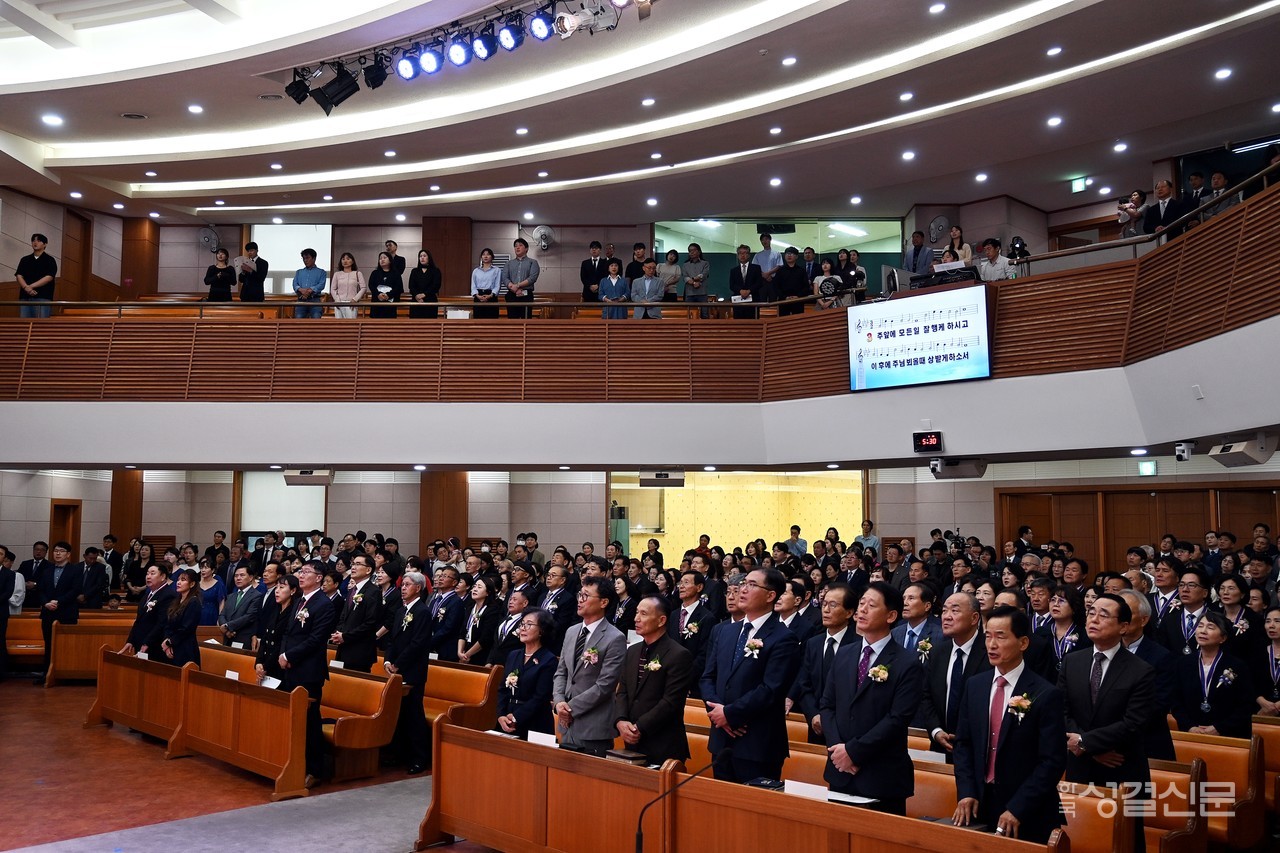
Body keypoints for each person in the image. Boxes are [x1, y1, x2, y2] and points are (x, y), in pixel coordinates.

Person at [953, 606, 1066, 843]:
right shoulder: (975, 685)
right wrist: (966, 792)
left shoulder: (1045, 694)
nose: (991, 645)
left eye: (1001, 636)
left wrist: (1018, 808)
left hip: (1028, 810)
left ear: (1023, 643)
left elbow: (1052, 762)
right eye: (988, 636)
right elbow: (963, 744)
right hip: (980, 805)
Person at [1060, 593, 1157, 851]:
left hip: (1122, 769)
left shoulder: (1140, 670)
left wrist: (1085, 742)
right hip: (1081, 768)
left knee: (1126, 841)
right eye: (1091, 612)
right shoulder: (1072, 661)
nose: (1094, 619)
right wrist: (1088, 749)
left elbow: (1133, 723)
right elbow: (1062, 710)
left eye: (1104, 615)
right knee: (1080, 838)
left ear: (1123, 626)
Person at [820, 581, 924, 815]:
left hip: (882, 776)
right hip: (840, 771)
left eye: (871, 605)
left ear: (891, 615)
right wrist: (839, 751)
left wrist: (853, 752)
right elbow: (827, 706)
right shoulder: (845, 653)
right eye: (861, 603)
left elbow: (897, 720)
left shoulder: (907, 663)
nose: (862, 610)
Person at [701, 567, 801, 784]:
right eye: (743, 584)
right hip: (721, 740)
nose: (742, 590)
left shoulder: (784, 638)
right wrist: (719, 714)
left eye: (752, 585)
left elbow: (771, 689)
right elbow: (708, 677)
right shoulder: (725, 631)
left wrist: (730, 714)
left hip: (757, 743)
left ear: (771, 595)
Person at [613, 596, 693, 764]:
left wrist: (639, 727)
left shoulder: (678, 654)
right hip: (631, 742)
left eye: (643, 614)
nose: (636, 619)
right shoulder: (633, 651)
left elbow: (671, 702)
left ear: (661, 620)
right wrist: (621, 720)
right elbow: (623, 690)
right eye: (636, 613)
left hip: (662, 744)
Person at [278, 561, 337, 787]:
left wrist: (290, 656)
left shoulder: (324, 604)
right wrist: (283, 653)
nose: (301, 576)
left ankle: (314, 769)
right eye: (300, 572)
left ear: (319, 577)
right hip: (291, 668)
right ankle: (292, 762)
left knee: (310, 721)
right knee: (293, 719)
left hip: (308, 671)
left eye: (306, 572)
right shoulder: (300, 600)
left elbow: (316, 640)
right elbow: (288, 632)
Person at [552, 576, 626, 755]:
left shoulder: (615, 637)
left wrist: (570, 708)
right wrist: (559, 702)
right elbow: (561, 672)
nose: (580, 600)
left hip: (593, 726)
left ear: (603, 602)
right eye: (579, 594)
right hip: (566, 723)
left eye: (586, 596)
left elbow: (605, 685)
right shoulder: (571, 631)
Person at [789, 582, 856, 744]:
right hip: (817, 726)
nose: (825, 610)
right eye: (824, 604)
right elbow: (805, 684)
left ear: (849, 612)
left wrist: (831, 719)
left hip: (848, 730)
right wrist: (814, 715)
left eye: (833, 605)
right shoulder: (814, 643)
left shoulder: (858, 644)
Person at [1170, 611, 1254, 738]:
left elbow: (1246, 705)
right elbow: (1176, 701)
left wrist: (1219, 728)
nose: (1203, 631)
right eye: (1200, 626)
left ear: (1223, 638)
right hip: (1191, 733)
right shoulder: (1183, 663)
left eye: (1210, 627)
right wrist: (1190, 727)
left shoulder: (1237, 666)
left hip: (1228, 735)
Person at [1116, 589, 1176, 762]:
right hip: (1107, 744)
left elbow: (1158, 705)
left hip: (1146, 744)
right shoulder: (1102, 652)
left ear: (1143, 619)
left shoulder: (1161, 656)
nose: (1120, 619)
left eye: (1126, 613)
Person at [383, 570, 433, 774]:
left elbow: (418, 643)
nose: (402, 588)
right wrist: (387, 659)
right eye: (402, 585)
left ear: (418, 588)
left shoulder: (422, 612)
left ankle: (420, 758)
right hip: (397, 670)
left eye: (407, 584)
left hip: (413, 671)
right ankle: (399, 753)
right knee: (399, 713)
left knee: (414, 714)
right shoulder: (400, 611)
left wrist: (398, 664)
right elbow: (393, 640)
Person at [497, 607, 559, 739]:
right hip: (507, 720)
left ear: (542, 630)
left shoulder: (549, 660)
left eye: (529, 624)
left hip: (535, 722)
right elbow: (503, 689)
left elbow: (540, 697)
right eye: (522, 624)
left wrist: (516, 717)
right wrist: (501, 715)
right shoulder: (513, 655)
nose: (523, 628)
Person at [35, 542, 81, 680]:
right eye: (55, 551)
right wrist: (46, 603)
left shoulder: (75, 570)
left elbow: (76, 590)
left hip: (66, 612)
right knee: (49, 644)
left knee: (65, 645)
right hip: (48, 612)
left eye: (61, 551)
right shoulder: (47, 570)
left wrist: (58, 601)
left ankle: (65, 673)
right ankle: (46, 674)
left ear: (68, 554)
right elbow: (40, 590)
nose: (58, 553)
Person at [330, 553, 381, 671]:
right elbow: (344, 616)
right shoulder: (353, 589)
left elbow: (370, 623)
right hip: (344, 647)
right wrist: (339, 633)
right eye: (353, 564)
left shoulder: (373, 592)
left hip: (360, 651)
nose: (353, 567)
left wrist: (345, 636)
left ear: (368, 569)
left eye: (358, 564)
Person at [119, 564, 175, 656]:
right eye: (147, 574)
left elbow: (161, 623)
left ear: (163, 576)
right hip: (141, 642)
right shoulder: (147, 594)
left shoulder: (168, 595)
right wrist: (131, 640)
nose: (148, 576)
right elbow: (139, 620)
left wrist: (147, 643)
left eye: (152, 573)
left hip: (154, 645)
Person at [254, 573, 298, 682]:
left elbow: (281, 643)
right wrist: (259, 662)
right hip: (265, 664)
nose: (276, 591)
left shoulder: (293, 614)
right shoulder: (275, 610)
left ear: (293, 591)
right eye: (276, 587)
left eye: (281, 587)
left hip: (279, 667)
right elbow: (265, 638)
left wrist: (266, 666)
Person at [159, 568, 202, 667]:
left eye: (183, 580)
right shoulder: (176, 601)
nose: (178, 582)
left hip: (185, 647)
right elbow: (167, 624)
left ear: (192, 584)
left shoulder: (194, 602)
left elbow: (186, 628)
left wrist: (170, 642)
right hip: (170, 646)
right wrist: (166, 642)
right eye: (178, 580)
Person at [458, 575, 502, 665]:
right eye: (474, 586)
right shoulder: (470, 608)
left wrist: (467, 655)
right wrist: (460, 652)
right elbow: (463, 632)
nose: (475, 589)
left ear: (488, 592)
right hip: (465, 651)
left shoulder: (492, 610)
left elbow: (485, 638)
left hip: (480, 655)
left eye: (479, 587)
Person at [218, 565, 262, 647]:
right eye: (236, 576)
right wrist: (226, 630)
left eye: (242, 575)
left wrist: (228, 626)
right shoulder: (231, 596)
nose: (238, 578)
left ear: (250, 577)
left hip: (242, 638)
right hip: (226, 638)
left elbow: (249, 616)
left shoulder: (257, 596)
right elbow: (222, 615)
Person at [15, 233, 57, 318]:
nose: (35, 242)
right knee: (25, 324)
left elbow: (49, 277)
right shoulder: (25, 259)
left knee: (40, 326)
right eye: (33, 240)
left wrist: (30, 287)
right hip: (25, 296)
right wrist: (26, 288)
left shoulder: (50, 260)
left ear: (45, 244)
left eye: (39, 240)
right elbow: (19, 275)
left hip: (43, 296)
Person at [488, 588, 530, 666]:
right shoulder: (503, 620)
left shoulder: (525, 622)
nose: (510, 602)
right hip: (494, 664)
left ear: (525, 603)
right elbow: (495, 644)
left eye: (514, 599)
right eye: (510, 599)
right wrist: (489, 661)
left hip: (512, 665)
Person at [503, 237, 539, 319]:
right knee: (512, 321)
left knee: (526, 320)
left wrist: (518, 286)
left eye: (520, 245)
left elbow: (532, 278)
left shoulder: (533, 262)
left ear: (526, 249)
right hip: (512, 295)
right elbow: (504, 277)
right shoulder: (509, 263)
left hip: (526, 294)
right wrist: (514, 288)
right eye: (515, 246)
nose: (517, 247)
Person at [1253, 606, 1280, 714]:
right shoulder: (1257, 651)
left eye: (1277, 621)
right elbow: (1250, 682)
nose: (1271, 625)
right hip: (1260, 709)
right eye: (1268, 621)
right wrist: (1261, 701)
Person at [729, 243, 763, 320]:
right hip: (738, 301)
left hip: (753, 301)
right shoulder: (733, 270)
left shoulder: (756, 268)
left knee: (753, 324)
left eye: (744, 253)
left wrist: (749, 291)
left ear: (748, 255)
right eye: (740, 253)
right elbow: (732, 285)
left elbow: (759, 283)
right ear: (737, 255)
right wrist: (740, 291)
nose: (742, 255)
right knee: (739, 324)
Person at [330, 252, 367, 318]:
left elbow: (363, 288)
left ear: (352, 261)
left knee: (351, 325)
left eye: (348, 259)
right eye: (343, 259)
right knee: (339, 326)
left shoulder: (357, 273)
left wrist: (355, 299)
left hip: (351, 303)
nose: (345, 261)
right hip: (339, 303)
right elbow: (333, 289)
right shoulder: (337, 274)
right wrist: (337, 300)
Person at [774, 247, 809, 316]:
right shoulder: (780, 271)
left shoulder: (801, 271)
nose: (789, 255)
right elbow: (775, 286)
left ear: (796, 257)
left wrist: (798, 296)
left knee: (798, 322)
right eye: (787, 253)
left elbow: (806, 287)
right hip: (783, 301)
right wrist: (784, 297)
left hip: (798, 300)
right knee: (783, 323)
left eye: (791, 254)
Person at [292, 248, 326, 318]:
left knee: (316, 318)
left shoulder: (321, 272)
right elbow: (295, 284)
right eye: (304, 258)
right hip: (301, 300)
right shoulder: (299, 272)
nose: (305, 260)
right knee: (298, 319)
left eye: (307, 258)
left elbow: (321, 285)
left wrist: (309, 290)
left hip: (315, 300)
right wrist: (301, 290)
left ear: (314, 258)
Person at [407, 249, 441, 319]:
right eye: (420, 256)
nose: (422, 258)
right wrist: (417, 296)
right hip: (416, 301)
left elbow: (436, 286)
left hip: (430, 301)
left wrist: (424, 294)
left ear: (429, 258)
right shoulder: (414, 271)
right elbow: (411, 286)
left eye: (424, 256)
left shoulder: (435, 271)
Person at [367, 251, 402, 319]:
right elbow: (371, 285)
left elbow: (398, 287)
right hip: (377, 303)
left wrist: (388, 295)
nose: (382, 260)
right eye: (380, 258)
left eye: (384, 258)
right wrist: (378, 294)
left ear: (390, 260)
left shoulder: (396, 274)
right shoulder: (375, 273)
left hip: (390, 304)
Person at [470, 247, 502, 318]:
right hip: (478, 296)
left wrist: (490, 295)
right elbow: (473, 286)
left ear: (492, 257)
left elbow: (497, 286)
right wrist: (477, 296)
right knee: (478, 321)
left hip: (491, 296)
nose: (486, 256)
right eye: (483, 254)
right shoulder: (476, 271)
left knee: (492, 320)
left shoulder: (497, 270)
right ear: (481, 257)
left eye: (488, 254)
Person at [681, 243, 710, 318]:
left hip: (702, 293)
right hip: (689, 293)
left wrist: (695, 280)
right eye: (690, 251)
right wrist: (694, 282)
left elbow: (703, 275)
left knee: (704, 314)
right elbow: (685, 277)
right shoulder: (685, 265)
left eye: (694, 250)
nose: (692, 252)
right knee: (689, 314)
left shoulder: (705, 263)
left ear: (699, 251)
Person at [753, 233, 783, 300]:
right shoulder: (757, 255)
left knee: (774, 301)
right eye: (762, 240)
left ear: (770, 240)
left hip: (773, 280)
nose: (764, 241)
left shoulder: (777, 253)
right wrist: (764, 275)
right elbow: (755, 268)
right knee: (761, 300)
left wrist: (768, 273)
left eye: (766, 239)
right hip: (761, 281)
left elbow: (779, 265)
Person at [579, 240, 605, 306]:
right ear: (590, 250)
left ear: (600, 250)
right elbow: (583, 277)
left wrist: (598, 286)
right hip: (588, 292)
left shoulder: (605, 263)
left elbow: (605, 277)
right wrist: (590, 286)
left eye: (596, 248)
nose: (594, 250)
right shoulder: (585, 263)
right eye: (592, 248)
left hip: (601, 292)